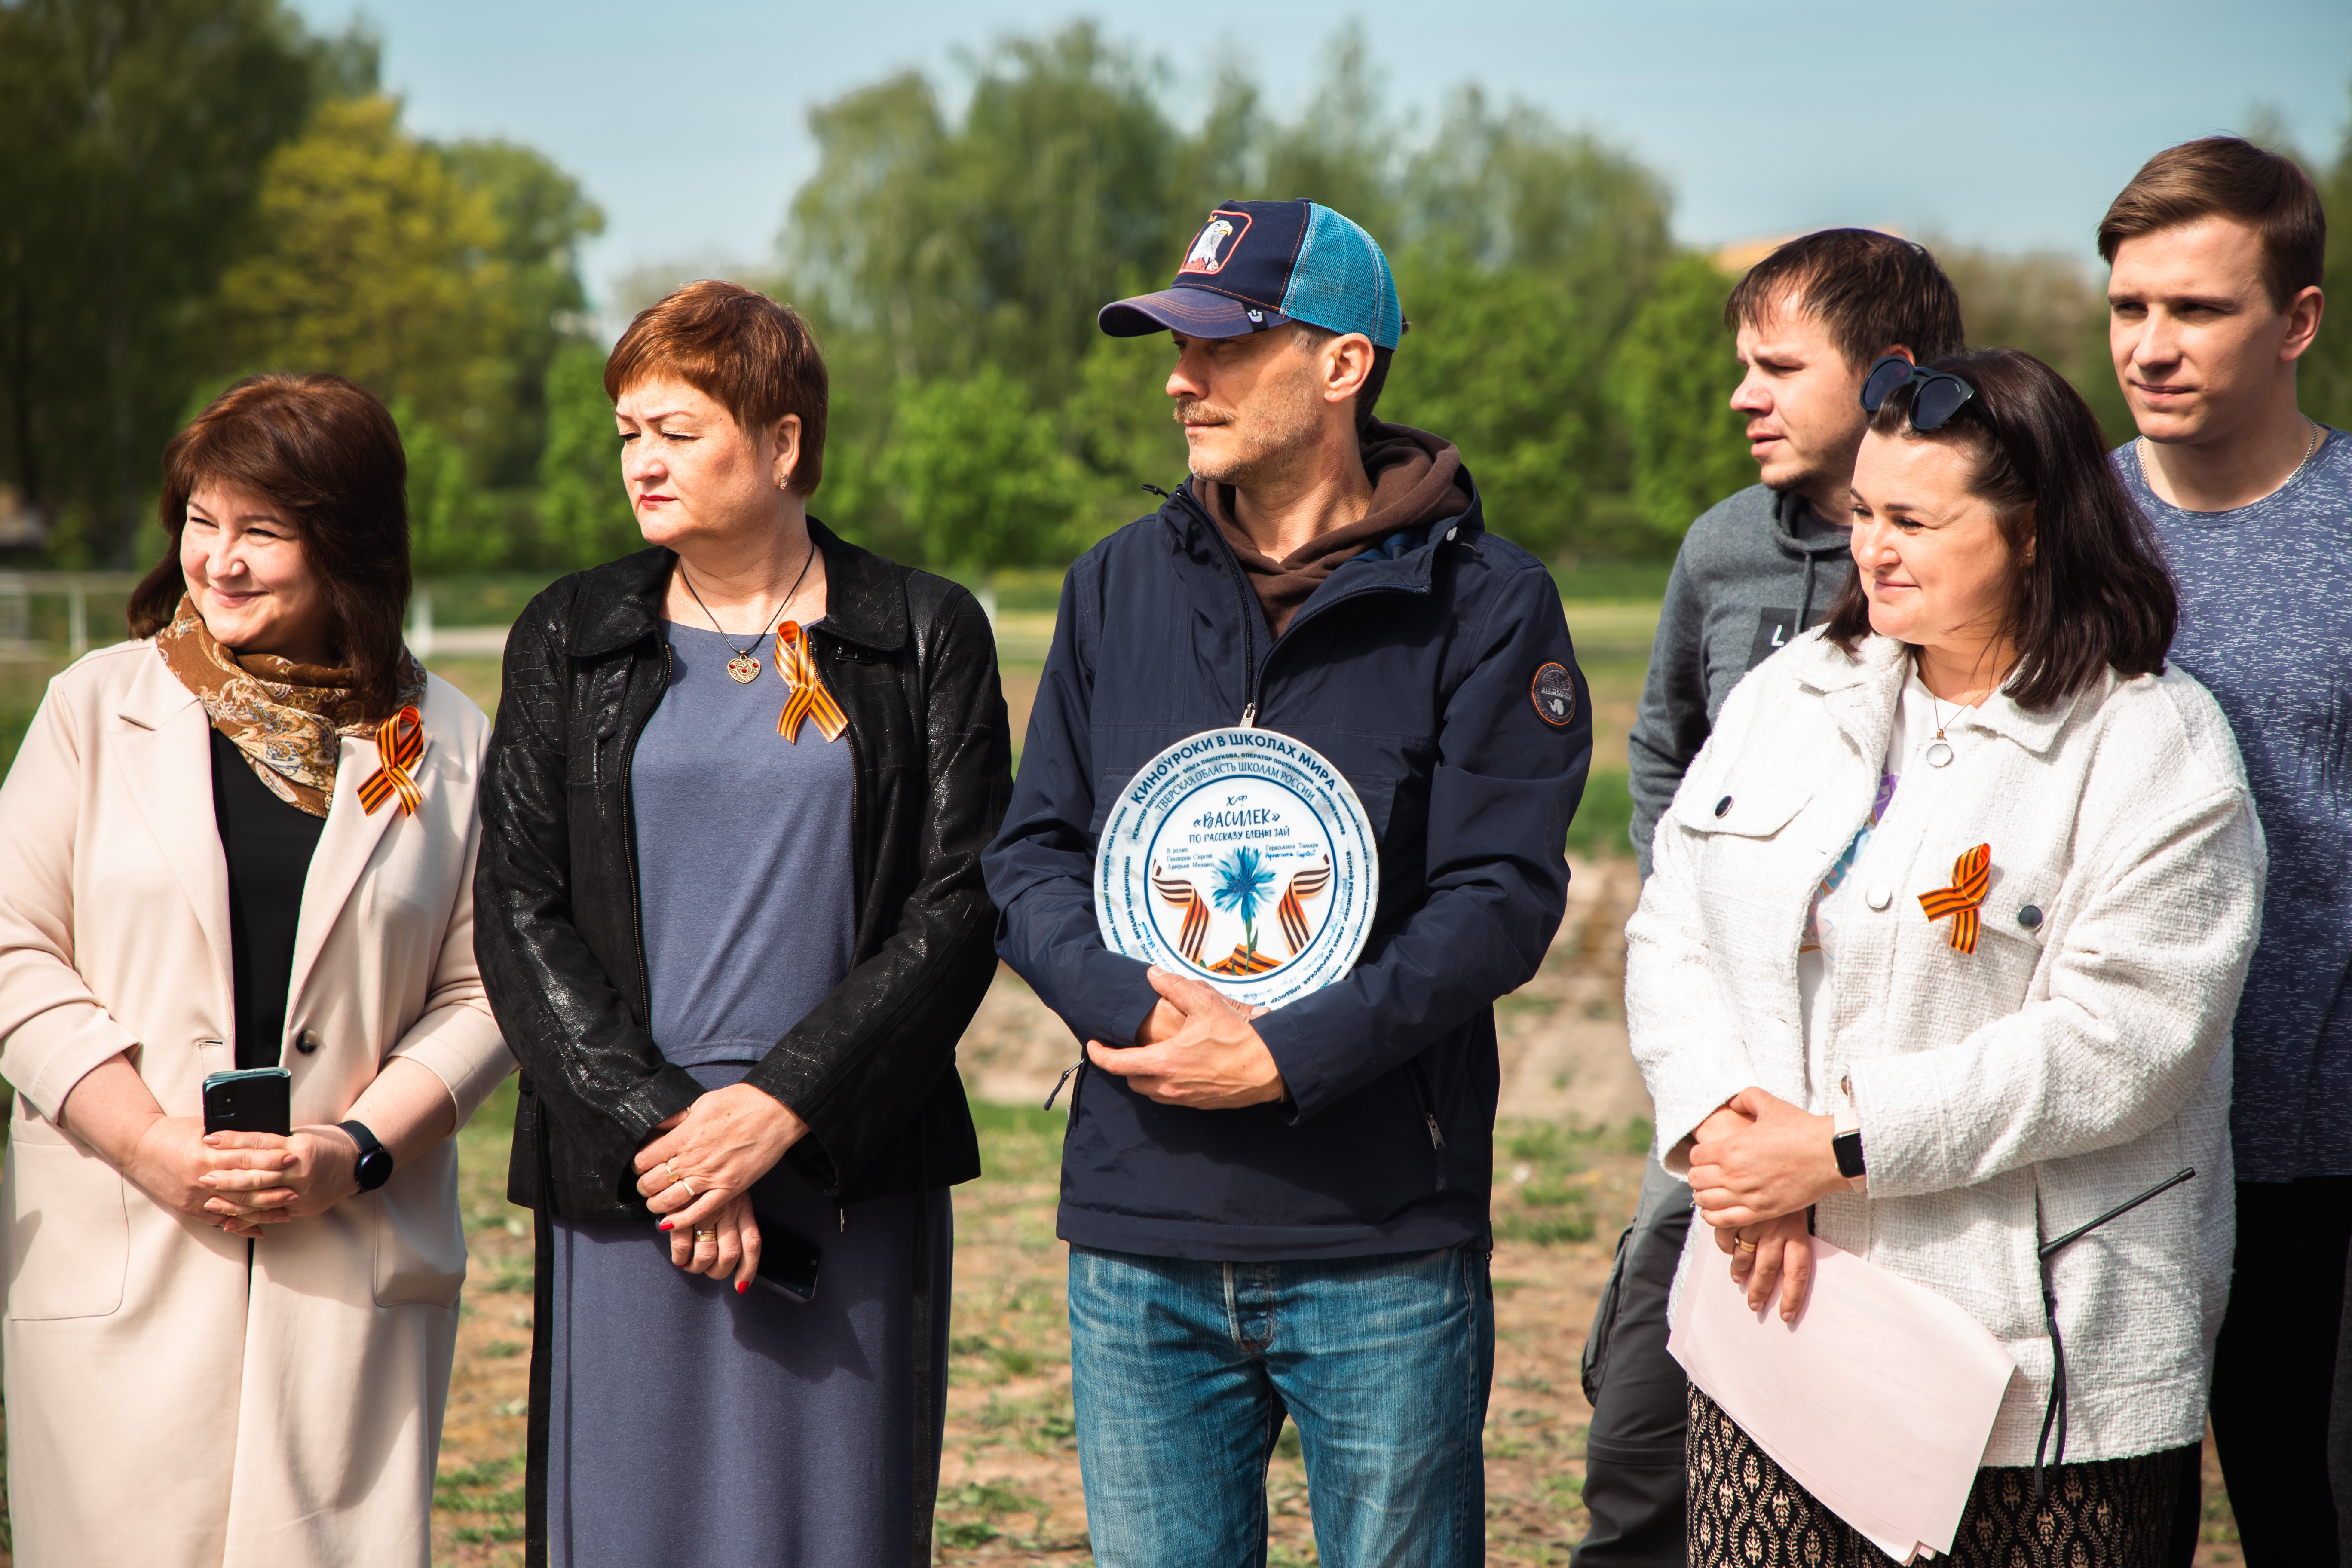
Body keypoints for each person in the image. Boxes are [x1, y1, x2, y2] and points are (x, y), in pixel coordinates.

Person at [983, 199, 1591, 1565]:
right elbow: (1029, 857)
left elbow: (1500, 896)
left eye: (1220, 343)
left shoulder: (1488, 602)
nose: (1177, 377)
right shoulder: (1111, 588)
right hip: (1140, 1233)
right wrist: (1137, 1016)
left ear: (1342, 364)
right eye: (1171, 343)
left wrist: (1291, 1053)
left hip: (1378, 1235)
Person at [1628, 347, 2260, 1565]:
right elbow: (1676, 926)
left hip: (2038, 1385)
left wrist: (1838, 1151)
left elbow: (2124, 1042)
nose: (1872, 548)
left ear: (2034, 537)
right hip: (1781, 1328)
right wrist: (1722, 1129)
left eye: (1915, 519)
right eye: (1862, 512)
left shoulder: (2154, 741)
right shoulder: (1785, 696)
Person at [472, 279, 1010, 1568]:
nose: (641, 463)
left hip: (842, 1164)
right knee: (628, 1525)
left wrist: (781, 1112)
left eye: (678, 430)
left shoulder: (925, 635)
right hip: (633, 1179)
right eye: (627, 434)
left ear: (782, 444)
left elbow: (958, 905)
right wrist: (672, 1137)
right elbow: (517, 908)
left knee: (831, 1524)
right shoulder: (568, 634)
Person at [0, 374, 512, 1566]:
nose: (217, 562)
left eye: (262, 532)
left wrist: (359, 1150)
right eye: (200, 521)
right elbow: (13, 948)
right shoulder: (92, 710)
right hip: (124, 1242)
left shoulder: (445, 741)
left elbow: (487, 989)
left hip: (347, 1256)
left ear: (350, 547)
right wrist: (147, 1142)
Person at [1583, 230, 1965, 1567]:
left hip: (1894, 1107)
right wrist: (1712, 938)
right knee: (1639, 1425)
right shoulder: (1721, 550)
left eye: (1777, 367)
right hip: (1727, 1088)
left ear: (1889, 377)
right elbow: (1664, 756)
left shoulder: (1986, 557)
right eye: (1741, 365)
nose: (1742, 394)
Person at [2096, 135, 2342, 1563]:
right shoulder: (2065, 527)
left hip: (2326, 1148)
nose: (2153, 345)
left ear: (2297, 321)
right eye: (2131, 307)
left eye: (2198, 309)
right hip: (2108, 1143)